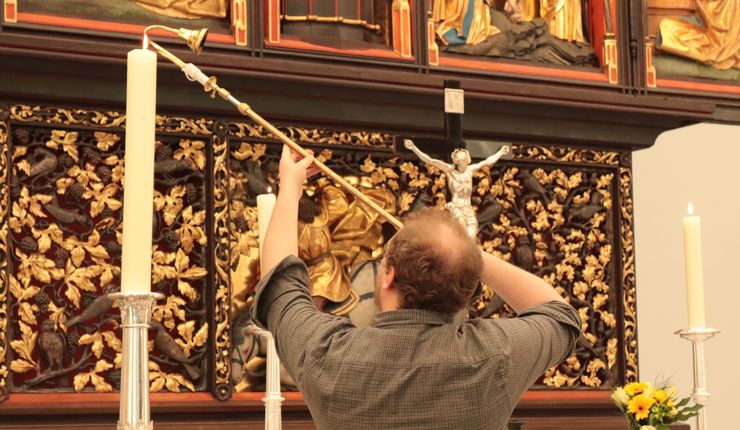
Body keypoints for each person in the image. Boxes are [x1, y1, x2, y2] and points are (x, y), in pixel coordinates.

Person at [252, 145, 581, 430]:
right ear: (468, 285)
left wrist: (289, 189)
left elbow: (282, 285)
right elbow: (561, 316)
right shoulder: (495, 354)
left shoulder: (331, 354)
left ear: (389, 276)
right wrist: (466, 255)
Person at [404, 139, 509, 238]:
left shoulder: (470, 170)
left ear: (468, 160)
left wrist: (500, 153)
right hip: (455, 207)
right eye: (460, 161)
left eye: (464, 160)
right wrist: (413, 148)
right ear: (456, 161)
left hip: (468, 209)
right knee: (462, 230)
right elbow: (430, 160)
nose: (463, 163)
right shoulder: (449, 170)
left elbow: (487, 161)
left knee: (471, 236)